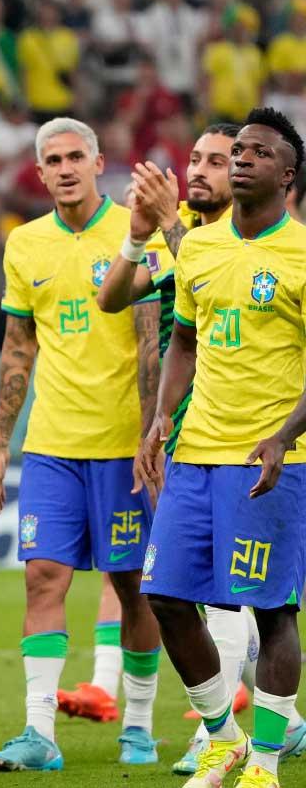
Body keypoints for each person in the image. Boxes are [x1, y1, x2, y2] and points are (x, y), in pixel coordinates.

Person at [90, 122, 306, 774]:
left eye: (259, 153)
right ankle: (222, 735)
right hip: (195, 453)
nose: (242, 159)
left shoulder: (301, 252)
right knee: (165, 595)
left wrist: (285, 436)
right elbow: (183, 339)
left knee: (272, 612)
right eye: (237, 150)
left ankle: (264, 764)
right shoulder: (201, 248)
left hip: (269, 460)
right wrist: (161, 419)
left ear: (288, 176)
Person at [0, 118, 161, 772]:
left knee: (132, 585)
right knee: (42, 577)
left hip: (121, 444)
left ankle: (138, 724)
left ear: (98, 162)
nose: (64, 168)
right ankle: (39, 733)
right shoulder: (25, 243)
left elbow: (150, 340)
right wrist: (1, 444)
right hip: (53, 444)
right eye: (52, 160)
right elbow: (18, 346)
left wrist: (150, 433)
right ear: (39, 172)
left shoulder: (135, 233)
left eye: (75, 157)